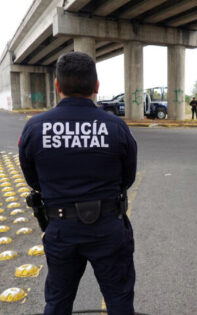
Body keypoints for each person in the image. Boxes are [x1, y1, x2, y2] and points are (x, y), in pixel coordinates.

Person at [18, 52, 137, 315]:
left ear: (57, 86)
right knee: (119, 300)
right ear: (96, 86)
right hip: (108, 227)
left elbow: (32, 180)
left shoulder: (35, 127)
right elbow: (127, 178)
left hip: (61, 228)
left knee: (58, 302)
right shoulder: (116, 126)